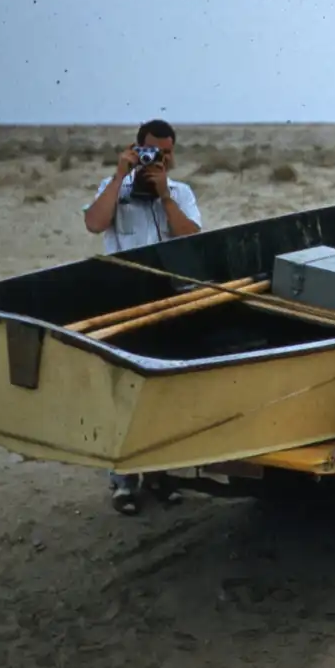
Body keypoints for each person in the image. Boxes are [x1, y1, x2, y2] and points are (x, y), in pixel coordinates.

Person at [83, 119, 203, 515]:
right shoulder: (112, 190)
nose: (159, 159)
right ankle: (123, 480)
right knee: (121, 391)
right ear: (136, 148)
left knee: (166, 390)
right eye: (151, 152)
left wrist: (165, 196)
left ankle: (160, 473)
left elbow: (191, 237)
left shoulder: (181, 192)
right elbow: (94, 223)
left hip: (169, 302)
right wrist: (121, 175)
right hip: (121, 300)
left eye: (166, 153)